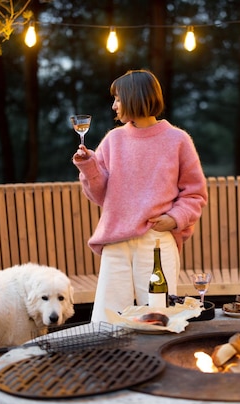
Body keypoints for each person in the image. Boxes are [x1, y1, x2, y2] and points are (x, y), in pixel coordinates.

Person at [72, 69, 208, 323]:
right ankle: (109, 364)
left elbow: (195, 193)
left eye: (118, 99)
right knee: (106, 320)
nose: (113, 106)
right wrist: (89, 165)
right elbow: (99, 195)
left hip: (156, 241)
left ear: (135, 98)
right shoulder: (114, 140)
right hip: (116, 241)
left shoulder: (178, 140)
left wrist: (175, 218)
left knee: (158, 318)